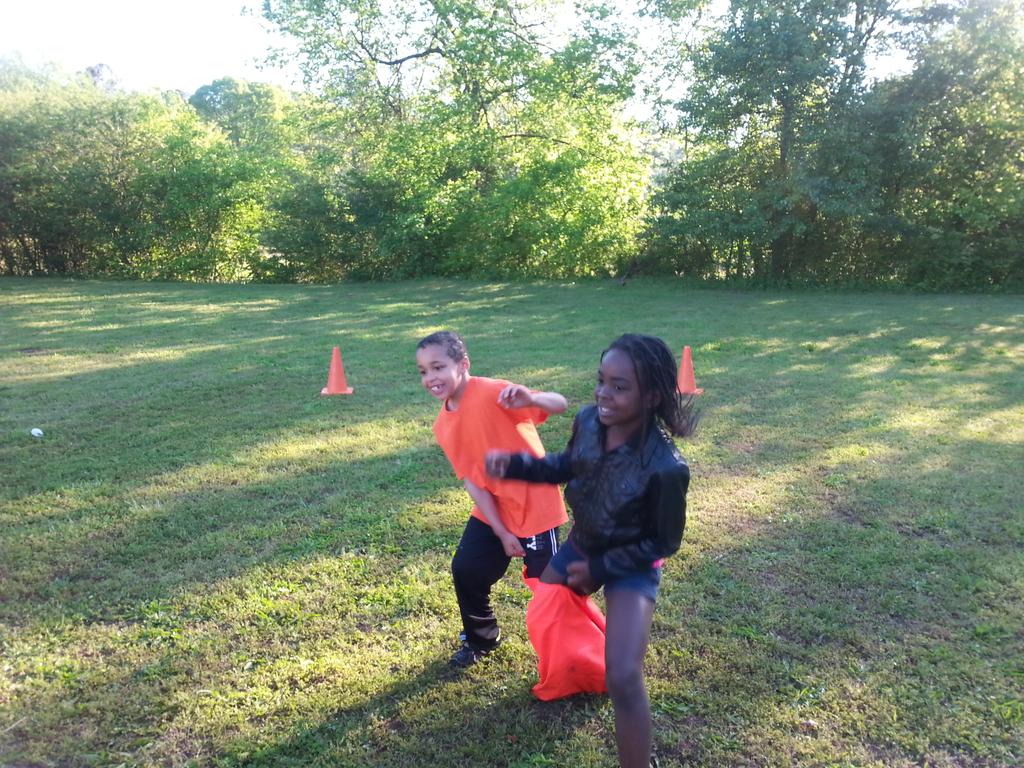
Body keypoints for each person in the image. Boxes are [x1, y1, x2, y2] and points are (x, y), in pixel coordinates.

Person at [486, 334, 697, 768]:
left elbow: (664, 542)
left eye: (620, 386)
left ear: (652, 395)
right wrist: (518, 465)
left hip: (631, 563)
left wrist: (600, 567)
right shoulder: (587, 420)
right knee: (547, 606)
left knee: (623, 675)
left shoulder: (666, 468)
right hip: (584, 540)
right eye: (602, 380)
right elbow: (567, 465)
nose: (603, 393)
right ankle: (577, 671)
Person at [415, 330, 570, 667]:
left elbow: (560, 403)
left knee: (552, 590)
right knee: (467, 568)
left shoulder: (496, 393)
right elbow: (474, 481)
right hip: (494, 511)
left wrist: (531, 399)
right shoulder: (443, 425)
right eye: (424, 371)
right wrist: (501, 531)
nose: (431, 378)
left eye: (438, 367)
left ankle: (567, 654)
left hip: (536, 506)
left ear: (463, 364)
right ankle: (481, 638)